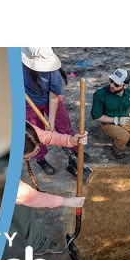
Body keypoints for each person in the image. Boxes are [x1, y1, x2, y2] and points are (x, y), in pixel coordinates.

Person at [11, 123, 87, 256]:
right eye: (25, 158)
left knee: (21, 211)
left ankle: (36, 242)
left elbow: (43, 136)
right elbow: (29, 196)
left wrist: (70, 140)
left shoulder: (21, 129)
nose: (28, 160)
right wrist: (66, 201)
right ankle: (38, 246)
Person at [22, 47, 91, 180]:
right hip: (29, 103)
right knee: (34, 134)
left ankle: (73, 148)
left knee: (63, 126)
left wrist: (51, 123)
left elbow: (53, 97)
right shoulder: (19, 67)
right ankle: (40, 158)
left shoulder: (54, 73)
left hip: (51, 99)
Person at [90, 68, 130, 159]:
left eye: (116, 84)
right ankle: (117, 146)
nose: (112, 85)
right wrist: (116, 120)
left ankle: (124, 137)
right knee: (124, 136)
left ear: (125, 85)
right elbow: (96, 116)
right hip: (109, 123)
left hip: (125, 121)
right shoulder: (100, 94)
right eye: (111, 81)